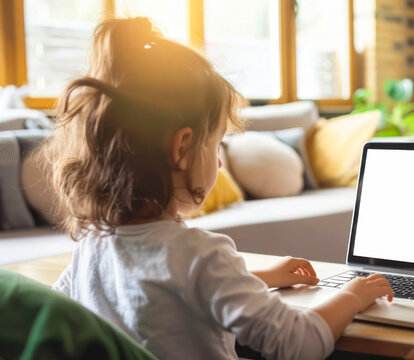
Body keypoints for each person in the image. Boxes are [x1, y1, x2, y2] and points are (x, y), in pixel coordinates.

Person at [40, 17, 393, 360]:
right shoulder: (202, 255)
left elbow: (159, 289)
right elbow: (297, 343)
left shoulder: (92, 246)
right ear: (181, 148)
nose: (220, 162)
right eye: (217, 143)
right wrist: (353, 294)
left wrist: (259, 277)